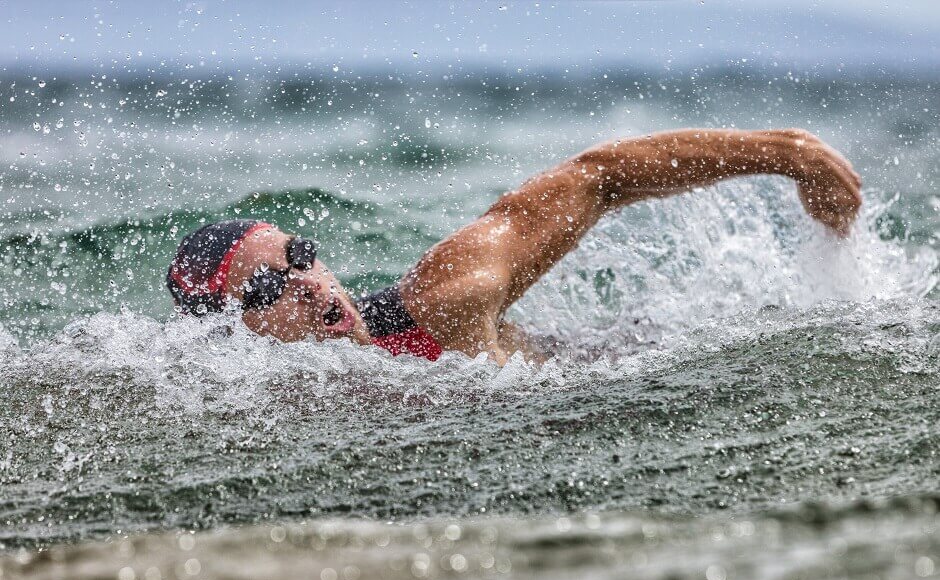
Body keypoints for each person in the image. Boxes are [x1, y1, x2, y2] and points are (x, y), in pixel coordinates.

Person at [167, 128, 862, 365]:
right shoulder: (239, 400)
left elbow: (595, 178)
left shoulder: (443, 299)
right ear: (229, 331)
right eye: (266, 289)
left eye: (299, 256)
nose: (307, 283)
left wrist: (787, 153)